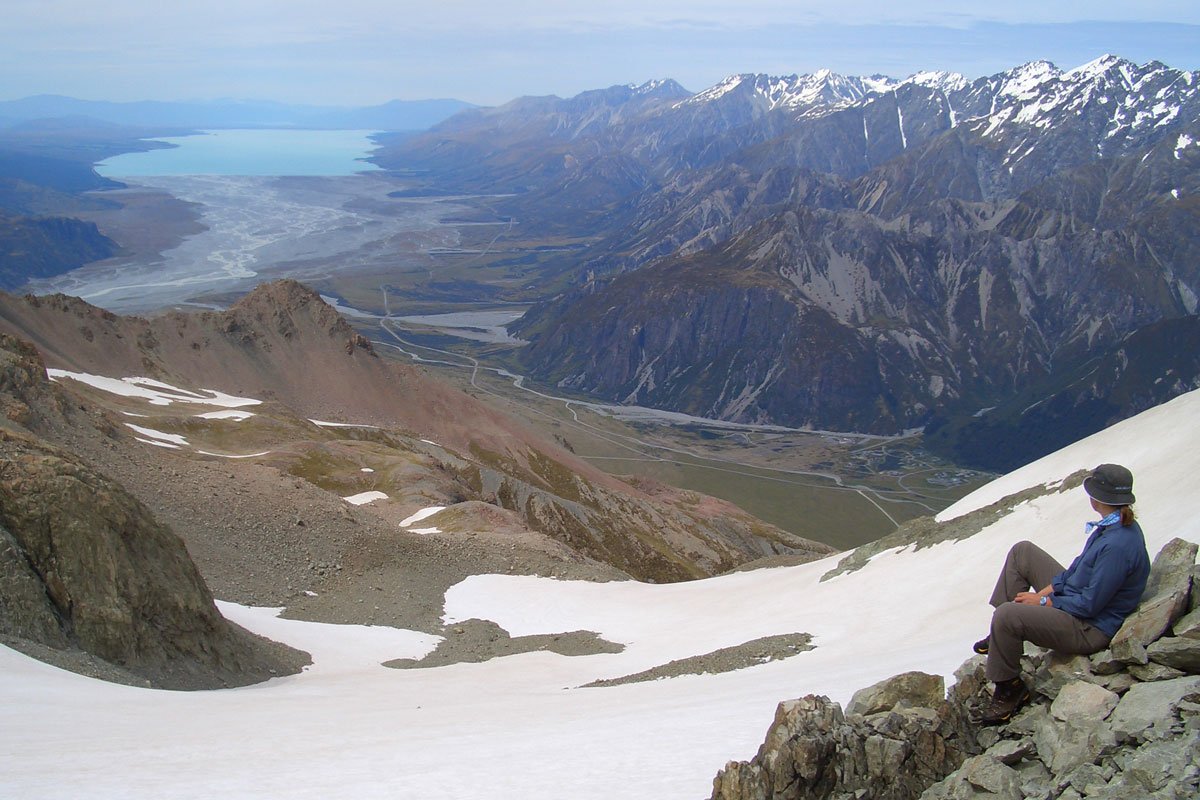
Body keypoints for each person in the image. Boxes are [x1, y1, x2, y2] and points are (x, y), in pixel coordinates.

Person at [974, 463, 1151, 725]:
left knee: (1007, 615)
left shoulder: (1117, 545)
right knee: (1023, 552)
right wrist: (1051, 587)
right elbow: (1079, 569)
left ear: (1097, 498)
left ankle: (1009, 686)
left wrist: (1044, 601)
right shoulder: (1112, 527)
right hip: (1079, 602)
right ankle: (1001, 636)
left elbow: (1090, 605)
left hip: (1089, 628)